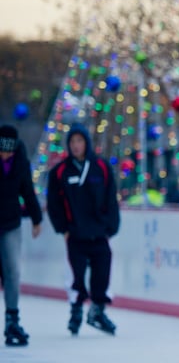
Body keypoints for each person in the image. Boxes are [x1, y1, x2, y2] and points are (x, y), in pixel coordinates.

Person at [46, 123, 120, 336]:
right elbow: (54, 204)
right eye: (72, 142)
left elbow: (110, 199)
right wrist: (63, 229)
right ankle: (76, 310)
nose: (76, 145)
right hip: (75, 234)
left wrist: (110, 227)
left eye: (80, 141)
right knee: (75, 275)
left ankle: (97, 310)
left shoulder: (102, 167)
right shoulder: (60, 171)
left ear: (86, 143)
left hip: (99, 233)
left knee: (102, 272)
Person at [0, 125, 42, 346]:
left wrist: (36, 219)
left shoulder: (20, 162)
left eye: (8, 151)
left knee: (13, 271)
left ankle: (12, 319)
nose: (5, 155)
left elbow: (27, 189)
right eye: (1, 151)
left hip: (11, 224)